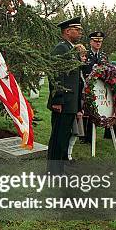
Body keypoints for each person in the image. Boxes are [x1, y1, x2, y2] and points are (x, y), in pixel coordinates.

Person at [47, 17, 86, 174]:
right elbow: (55, 76)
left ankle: (61, 168)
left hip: (70, 104)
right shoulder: (61, 49)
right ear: (67, 31)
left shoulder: (72, 50)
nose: (80, 33)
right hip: (62, 103)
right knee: (58, 138)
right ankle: (53, 172)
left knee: (64, 137)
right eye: (77, 30)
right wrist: (57, 100)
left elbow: (75, 81)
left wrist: (77, 106)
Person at [81, 31, 106, 143]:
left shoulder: (103, 56)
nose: (98, 43)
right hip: (86, 85)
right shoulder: (85, 55)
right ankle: (83, 135)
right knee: (85, 110)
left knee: (95, 109)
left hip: (98, 86)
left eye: (100, 41)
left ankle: (92, 134)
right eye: (96, 41)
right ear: (91, 42)